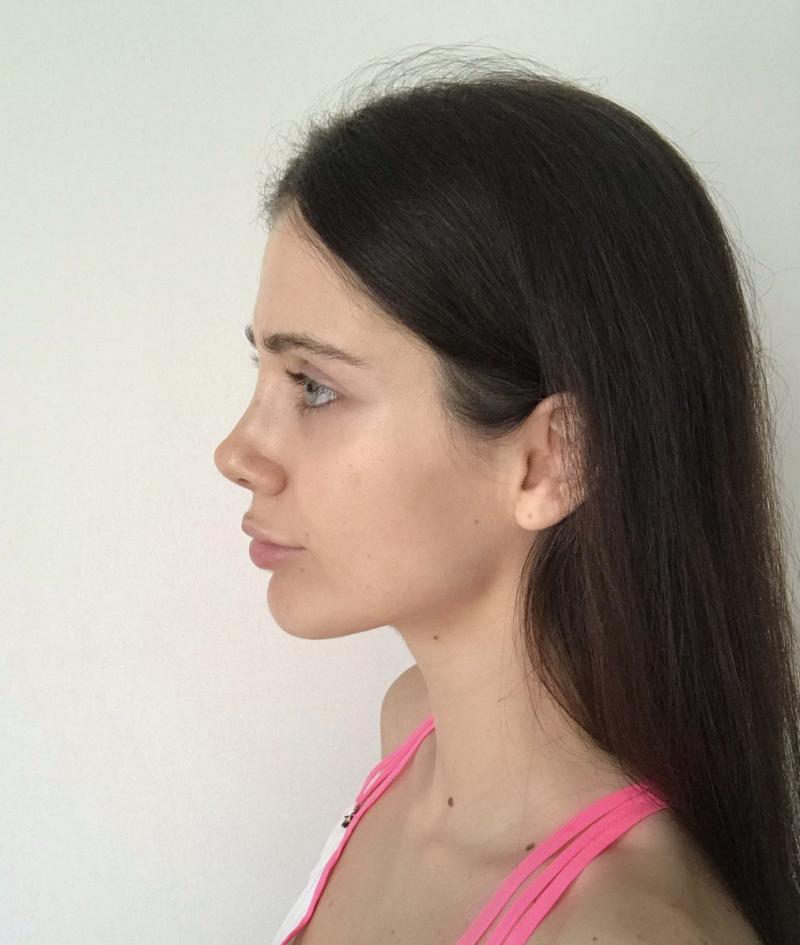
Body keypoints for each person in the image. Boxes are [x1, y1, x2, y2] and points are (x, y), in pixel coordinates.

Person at [213, 48, 798, 945]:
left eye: (315, 387)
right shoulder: (412, 728)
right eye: (262, 368)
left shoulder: (625, 930)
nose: (236, 453)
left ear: (551, 460)